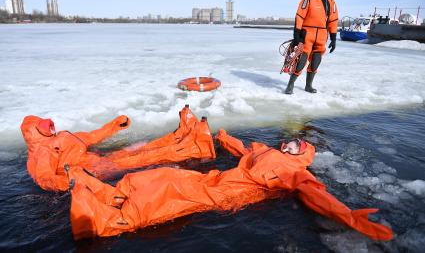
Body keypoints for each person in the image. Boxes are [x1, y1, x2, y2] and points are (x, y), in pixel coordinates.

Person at [66, 129, 393, 241]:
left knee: (171, 196)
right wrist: (223, 138)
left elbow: (314, 195)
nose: (291, 143)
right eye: (292, 141)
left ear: (303, 155)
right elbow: (242, 148)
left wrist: (346, 216)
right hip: (217, 179)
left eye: (298, 145)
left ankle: (104, 222)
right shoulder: (268, 150)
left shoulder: (297, 170)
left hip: (228, 193)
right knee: (165, 174)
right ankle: (111, 192)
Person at [20, 105, 216, 192]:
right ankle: (196, 148)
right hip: (93, 171)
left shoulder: (59, 137)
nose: (50, 127)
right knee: (140, 158)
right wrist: (69, 182)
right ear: (35, 132)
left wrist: (114, 125)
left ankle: (179, 136)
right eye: (45, 126)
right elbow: (44, 178)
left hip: (97, 161)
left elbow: (91, 137)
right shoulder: (43, 152)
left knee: (138, 150)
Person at [285, 0, 339, 94]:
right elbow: (299, 17)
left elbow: (333, 21)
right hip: (306, 35)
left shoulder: (331, 2)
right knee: (301, 61)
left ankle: (308, 86)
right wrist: (296, 36)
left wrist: (334, 39)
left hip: (321, 37)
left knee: (316, 61)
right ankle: (290, 84)